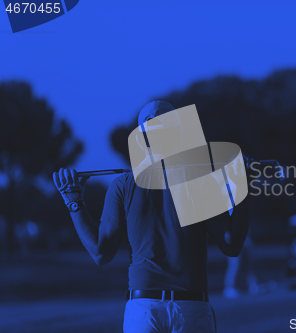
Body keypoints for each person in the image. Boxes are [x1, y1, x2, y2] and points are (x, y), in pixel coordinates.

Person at [53, 101, 250, 333]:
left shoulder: (121, 186)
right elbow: (231, 244)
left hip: (143, 309)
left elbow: (100, 252)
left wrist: (73, 199)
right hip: (191, 307)